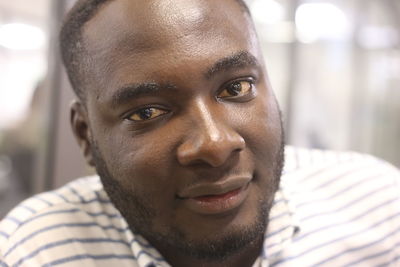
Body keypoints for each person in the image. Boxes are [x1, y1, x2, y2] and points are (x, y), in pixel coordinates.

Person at [0, 0, 399, 266]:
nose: (215, 144)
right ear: (86, 136)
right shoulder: (31, 251)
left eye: (237, 87)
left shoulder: (377, 206)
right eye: (148, 111)